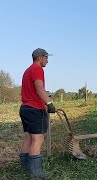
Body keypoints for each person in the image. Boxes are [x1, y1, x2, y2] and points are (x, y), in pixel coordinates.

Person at [19, 48, 56, 178]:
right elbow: (39, 88)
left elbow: (36, 89)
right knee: (38, 139)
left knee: (29, 137)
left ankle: (25, 168)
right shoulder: (37, 69)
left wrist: (46, 95)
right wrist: (49, 103)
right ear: (39, 57)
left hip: (25, 108)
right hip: (35, 109)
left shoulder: (28, 70)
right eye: (46, 57)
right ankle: (36, 173)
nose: (47, 60)